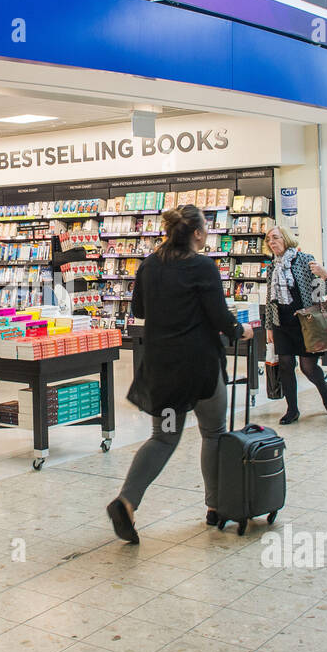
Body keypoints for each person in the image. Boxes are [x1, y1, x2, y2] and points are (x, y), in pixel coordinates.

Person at [107, 205, 254, 543]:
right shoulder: (202, 266)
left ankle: (127, 501)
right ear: (198, 234)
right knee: (213, 433)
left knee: (164, 436)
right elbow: (219, 317)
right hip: (201, 372)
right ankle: (215, 507)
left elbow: (140, 310)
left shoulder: (149, 265)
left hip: (165, 373)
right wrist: (239, 330)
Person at [265, 225, 327, 425]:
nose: (272, 242)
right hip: (281, 323)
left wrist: (324, 275)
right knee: (286, 365)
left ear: (286, 239)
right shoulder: (272, 267)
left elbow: (319, 293)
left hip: (305, 323)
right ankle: (292, 410)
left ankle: (324, 388)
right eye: (269, 239)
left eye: (276, 238)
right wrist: (269, 326)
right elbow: (270, 299)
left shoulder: (304, 260)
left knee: (308, 367)